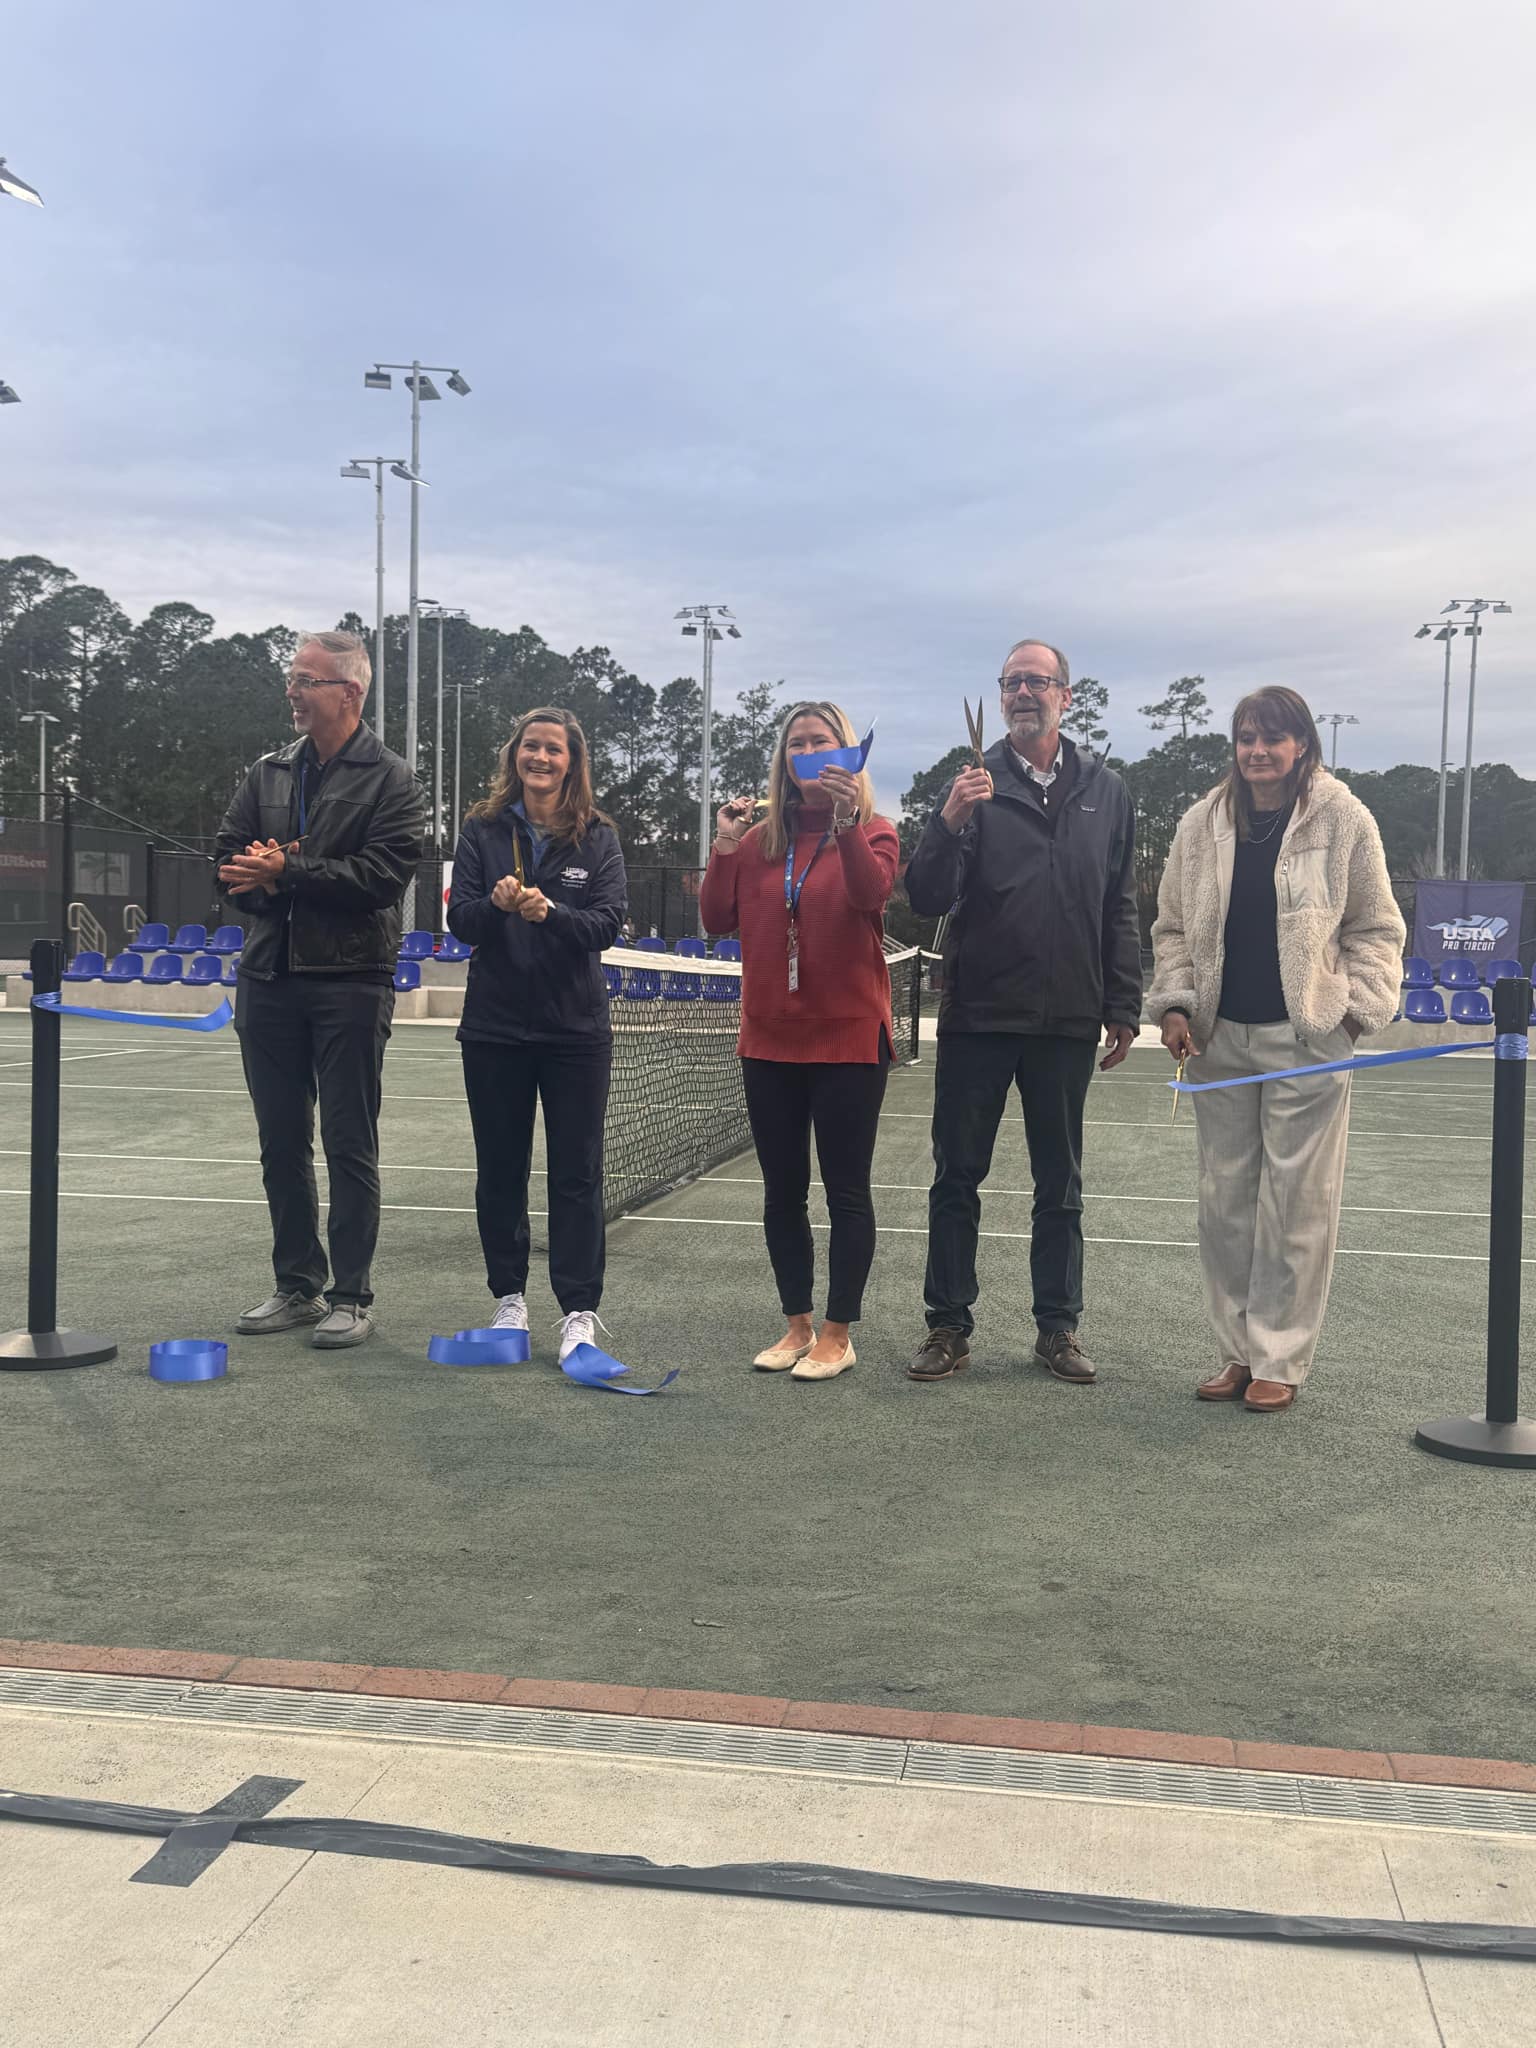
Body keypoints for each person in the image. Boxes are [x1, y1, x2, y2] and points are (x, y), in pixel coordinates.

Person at [1147, 687, 1403, 1410]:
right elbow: (1170, 928)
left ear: (1302, 746)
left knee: (1296, 1205)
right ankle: (1235, 1352)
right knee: (1223, 1204)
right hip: (1218, 1038)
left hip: (1307, 1038)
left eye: (1273, 738)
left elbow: (1377, 930)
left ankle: (1279, 1360)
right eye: (1246, 738)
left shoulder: (1346, 818)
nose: (1257, 751)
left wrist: (1350, 1015)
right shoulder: (1202, 824)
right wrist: (1173, 1006)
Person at [903, 637, 1141, 1384]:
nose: (1023, 693)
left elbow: (1119, 903)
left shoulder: (1109, 791)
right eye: (1011, 683)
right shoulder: (971, 783)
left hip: (1066, 1018)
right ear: (999, 697)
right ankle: (948, 1326)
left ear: (1067, 696)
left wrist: (1123, 1002)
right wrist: (946, 821)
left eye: (1038, 681)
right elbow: (927, 896)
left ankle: (1058, 1328)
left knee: (1060, 1184)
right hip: (978, 1013)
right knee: (955, 1178)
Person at [215, 630, 425, 1347]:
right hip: (268, 977)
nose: (292, 691)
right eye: (292, 678)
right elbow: (228, 862)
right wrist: (265, 885)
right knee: (280, 1142)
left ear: (349, 693)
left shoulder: (392, 778)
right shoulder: (267, 772)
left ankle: (351, 1295)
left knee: (348, 1142)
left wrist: (287, 871)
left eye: (306, 680)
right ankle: (296, 1286)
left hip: (351, 983)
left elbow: (380, 879)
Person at [700, 702, 899, 1381]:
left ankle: (839, 1335)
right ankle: (796, 1326)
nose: (808, 751)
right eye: (797, 744)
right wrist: (724, 846)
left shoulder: (875, 831)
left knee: (846, 1192)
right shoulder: (758, 842)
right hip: (768, 1041)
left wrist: (844, 823)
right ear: (784, 760)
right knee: (781, 1192)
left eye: (822, 742)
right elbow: (716, 918)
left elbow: (871, 897)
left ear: (846, 755)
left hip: (848, 1039)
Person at [446, 707, 627, 1362]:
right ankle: (509, 1300)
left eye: (553, 749)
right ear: (514, 756)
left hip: (575, 1031)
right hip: (494, 1030)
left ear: (572, 762)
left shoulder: (599, 837)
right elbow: (461, 920)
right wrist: (494, 908)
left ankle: (579, 1310)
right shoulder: (481, 829)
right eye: (531, 747)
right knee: (500, 1171)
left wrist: (550, 913)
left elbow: (606, 926)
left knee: (577, 1175)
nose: (541, 759)